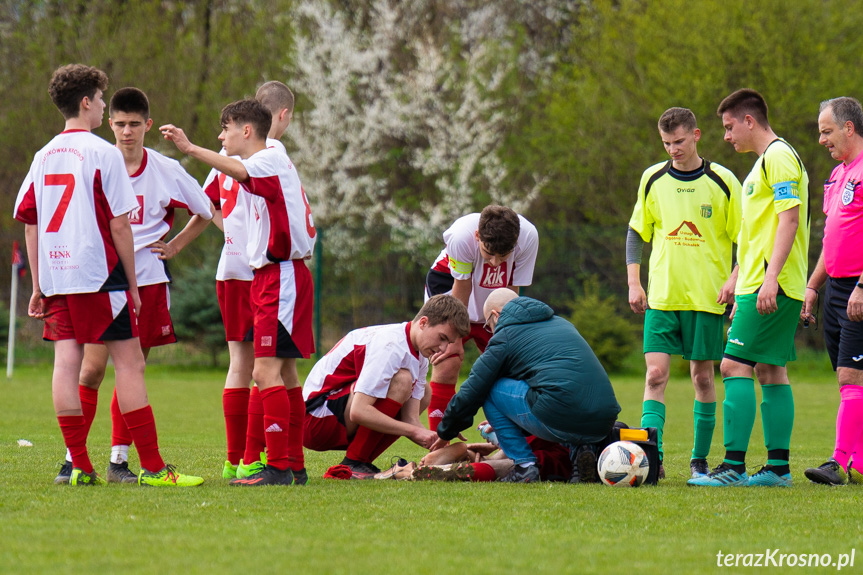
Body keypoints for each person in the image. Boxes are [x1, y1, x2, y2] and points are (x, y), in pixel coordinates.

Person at [14, 64, 203, 487]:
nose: (104, 106)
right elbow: (120, 225)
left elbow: (31, 222)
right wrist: (133, 285)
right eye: (101, 99)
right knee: (131, 364)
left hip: (59, 275)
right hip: (101, 276)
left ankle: (79, 466)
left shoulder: (43, 155)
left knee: (67, 364)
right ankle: (154, 468)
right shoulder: (104, 153)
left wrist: (39, 285)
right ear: (86, 103)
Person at [161, 98, 316, 486]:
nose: (220, 136)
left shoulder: (266, 160)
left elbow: (241, 173)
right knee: (286, 373)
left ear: (246, 131)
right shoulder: (269, 158)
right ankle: (293, 464)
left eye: (225, 128)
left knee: (264, 373)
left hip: (279, 276)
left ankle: (277, 466)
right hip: (275, 275)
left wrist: (192, 149)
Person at [690, 89, 809, 487]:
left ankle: (733, 467)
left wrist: (770, 278)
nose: (725, 136)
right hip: (759, 280)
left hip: (772, 283)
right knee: (771, 371)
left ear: (749, 121)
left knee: (732, 365)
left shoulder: (778, 158)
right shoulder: (763, 164)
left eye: (728, 127)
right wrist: (739, 274)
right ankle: (777, 469)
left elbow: (789, 221)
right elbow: (761, 231)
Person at [627, 107, 741, 479]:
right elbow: (636, 232)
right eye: (666, 143)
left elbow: (747, 238)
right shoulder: (652, 178)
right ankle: (651, 457)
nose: (673, 149)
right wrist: (634, 281)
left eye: (678, 141)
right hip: (662, 297)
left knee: (703, 379)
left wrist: (736, 278)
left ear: (696, 135)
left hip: (707, 299)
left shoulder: (724, 181)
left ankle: (699, 459)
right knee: (655, 375)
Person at [195, 81, 297, 481]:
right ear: (282, 115)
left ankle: (234, 458)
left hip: (231, 266)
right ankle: (257, 457)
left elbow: (203, 203)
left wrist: (229, 234)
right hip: (263, 269)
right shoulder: (272, 153)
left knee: (243, 363)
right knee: (268, 366)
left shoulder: (225, 153)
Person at [433, 288, 621, 483]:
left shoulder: (505, 336)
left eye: (489, 326)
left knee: (489, 388)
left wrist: (446, 430)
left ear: (495, 316)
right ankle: (582, 452)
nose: (491, 332)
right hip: (604, 419)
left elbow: (473, 389)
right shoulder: (562, 323)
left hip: (560, 414)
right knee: (558, 393)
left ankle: (524, 466)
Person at [303, 294, 470, 479]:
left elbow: (410, 419)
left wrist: (441, 434)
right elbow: (358, 411)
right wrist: (413, 431)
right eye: (442, 338)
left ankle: (361, 461)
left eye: (449, 342)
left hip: (336, 415)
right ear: (423, 323)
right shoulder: (391, 344)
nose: (443, 348)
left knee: (424, 393)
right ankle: (355, 463)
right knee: (402, 380)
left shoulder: (420, 352)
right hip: (314, 420)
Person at [424, 205, 539, 432]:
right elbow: (462, 288)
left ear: (515, 243)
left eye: (503, 256)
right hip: (450, 286)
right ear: (478, 236)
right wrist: (453, 339)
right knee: (448, 359)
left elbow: (511, 292)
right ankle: (439, 440)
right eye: (489, 253)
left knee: (507, 366)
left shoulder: (528, 237)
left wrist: (507, 337)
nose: (495, 262)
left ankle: (509, 431)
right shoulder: (461, 237)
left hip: (494, 295)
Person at [802, 97, 863, 486]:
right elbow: (832, 240)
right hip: (836, 290)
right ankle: (856, 460)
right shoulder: (837, 176)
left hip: (859, 287)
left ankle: (838, 462)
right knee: (849, 378)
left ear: (849, 128)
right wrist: (812, 286)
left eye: (827, 131)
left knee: (849, 375)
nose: (822, 139)